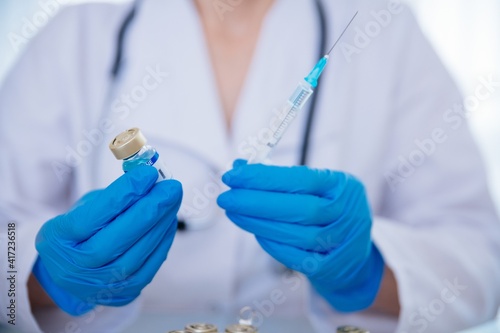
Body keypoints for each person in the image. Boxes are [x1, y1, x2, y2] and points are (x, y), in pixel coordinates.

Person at [1, 0, 499, 332]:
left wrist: (366, 269)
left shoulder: (381, 29)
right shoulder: (81, 31)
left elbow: (482, 266)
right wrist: (45, 273)